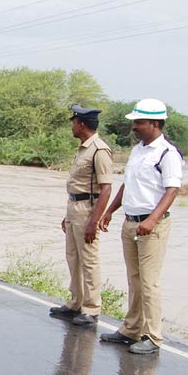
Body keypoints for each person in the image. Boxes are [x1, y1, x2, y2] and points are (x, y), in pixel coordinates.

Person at [98, 99, 183, 355]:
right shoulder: (138, 151)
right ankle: (131, 329)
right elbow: (127, 185)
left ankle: (152, 336)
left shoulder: (167, 154)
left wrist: (152, 219)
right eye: (134, 122)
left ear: (155, 124)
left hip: (151, 226)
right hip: (131, 222)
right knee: (134, 279)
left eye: (139, 122)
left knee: (149, 282)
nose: (134, 126)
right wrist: (110, 211)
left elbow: (172, 190)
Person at [50, 105, 113, 327]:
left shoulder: (99, 150)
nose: (72, 126)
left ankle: (91, 308)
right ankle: (75, 302)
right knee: (73, 257)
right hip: (74, 206)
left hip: (88, 209)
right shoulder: (83, 149)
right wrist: (67, 214)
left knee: (89, 260)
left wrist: (94, 221)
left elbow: (106, 189)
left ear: (82, 124)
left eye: (74, 122)